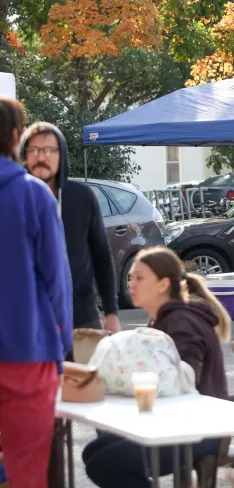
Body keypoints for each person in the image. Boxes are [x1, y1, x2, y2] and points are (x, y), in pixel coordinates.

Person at [83, 246, 230, 487]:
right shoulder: (161, 318)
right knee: (95, 452)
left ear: (163, 284)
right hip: (177, 423)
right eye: (131, 277)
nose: (132, 283)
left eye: (140, 278)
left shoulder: (183, 320)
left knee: (105, 462)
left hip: (201, 429)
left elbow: (184, 379)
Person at [0, 97, 72, 488]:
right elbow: (56, 283)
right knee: (27, 471)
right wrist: (60, 349)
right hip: (27, 352)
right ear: (15, 137)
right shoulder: (34, 195)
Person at [20, 122, 120, 337]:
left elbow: (101, 255)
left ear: (61, 154)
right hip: (28, 321)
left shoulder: (81, 197)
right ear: (24, 155)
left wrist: (112, 311)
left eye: (50, 150)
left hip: (81, 316)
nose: (42, 157)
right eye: (34, 150)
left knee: (86, 371)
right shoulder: (12, 199)